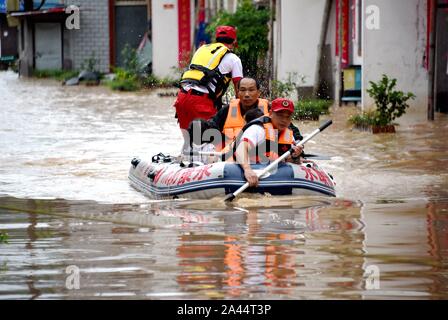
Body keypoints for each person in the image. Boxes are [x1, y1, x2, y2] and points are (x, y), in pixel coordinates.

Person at [174, 25, 243, 150]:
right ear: (234, 42)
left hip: (181, 98)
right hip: (201, 102)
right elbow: (241, 91)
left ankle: (187, 162)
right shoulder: (234, 59)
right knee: (213, 141)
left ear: (216, 39)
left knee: (190, 140)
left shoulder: (201, 50)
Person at [208, 77, 303, 151]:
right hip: (231, 157)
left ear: (258, 92)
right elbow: (211, 127)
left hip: (263, 158)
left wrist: (298, 145)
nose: (247, 94)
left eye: (251, 90)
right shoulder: (227, 110)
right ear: (238, 92)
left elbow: (288, 127)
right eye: (243, 90)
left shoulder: (270, 110)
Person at [235, 98, 304, 187]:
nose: (284, 120)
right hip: (244, 168)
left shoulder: (289, 135)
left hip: (272, 173)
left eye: (288, 117)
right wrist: (247, 170)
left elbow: (290, 161)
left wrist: (295, 156)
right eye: (280, 115)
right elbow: (240, 149)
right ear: (271, 114)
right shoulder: (258, 129)